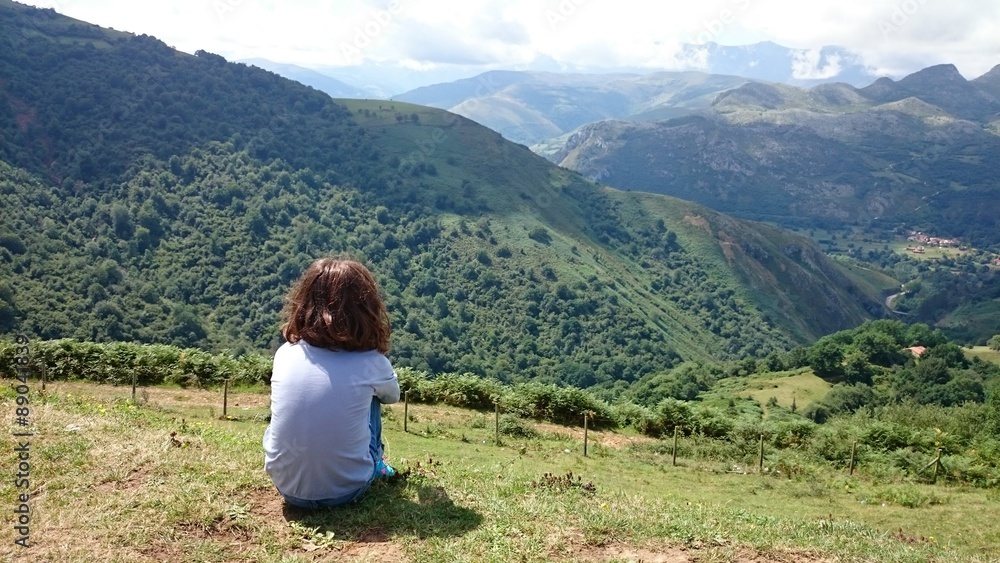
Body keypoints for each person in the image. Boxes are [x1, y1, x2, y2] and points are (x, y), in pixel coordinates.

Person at [263, 258, 400, 509]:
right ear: (366, 309)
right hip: (347, 489)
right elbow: (392, 397)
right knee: (372, 398)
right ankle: (377, 465)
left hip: (286, 486)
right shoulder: (371, 362)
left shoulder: (286, 353)